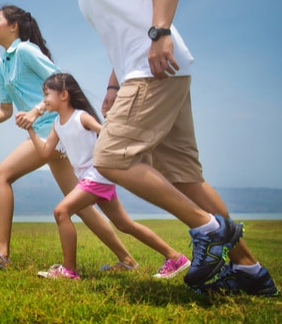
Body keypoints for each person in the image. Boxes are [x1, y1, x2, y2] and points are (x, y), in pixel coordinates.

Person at [48, 0, 278, 295]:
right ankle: (250, 271)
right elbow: (122, 37)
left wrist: (161, 32)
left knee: (111, 156)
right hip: (153, 71)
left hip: (153, 69)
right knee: (187, 178)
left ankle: (207, 229)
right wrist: (112, 87)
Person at [0, 4, 148, 272]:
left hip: (54, 131)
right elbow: (6, 110)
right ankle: (128, 260)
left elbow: (61, 82)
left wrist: (38, 109)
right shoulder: (1, 65)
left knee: (0, 175)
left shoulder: (26, 51)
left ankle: (2, 251)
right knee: (82, 204)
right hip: (45, 136)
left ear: (13, 26)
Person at [25, 72, 189, 280]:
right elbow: (46, 152)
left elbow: (105, 133)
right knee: (124, 224)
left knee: (61, 211)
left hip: (98, 175)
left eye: (47, 94)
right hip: (92, 178)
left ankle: (69, 271)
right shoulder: (58, 123)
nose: (44, 100)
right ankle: (175, 257)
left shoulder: (81, 117)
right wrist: (30, 129)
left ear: (64, 95)